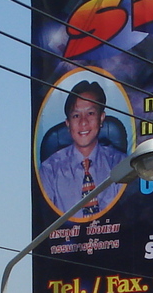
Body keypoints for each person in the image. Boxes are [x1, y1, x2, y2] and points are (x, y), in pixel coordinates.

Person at [39, 80, 125, 217]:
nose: (83, 122)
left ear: (101, 118)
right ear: (68, 124)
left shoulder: (120, 164)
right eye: (76, 116)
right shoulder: (49, 170)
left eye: (90, 113)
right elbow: (45, 221)